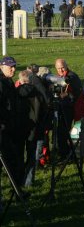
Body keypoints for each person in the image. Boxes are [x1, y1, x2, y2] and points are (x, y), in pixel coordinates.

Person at [54, 59, 84, 159]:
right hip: (62, 106)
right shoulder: (58, 77)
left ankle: (66, 153)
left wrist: (67, 94)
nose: (61, 70)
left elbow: (78, 92)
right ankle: (63, 151)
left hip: (69, 108)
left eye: (62, 67)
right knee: (60, 131)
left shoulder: (72, 77)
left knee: (64, 131)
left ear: (66, 66)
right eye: (58, 68)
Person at [0, 57, 20, 189]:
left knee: (11, 158)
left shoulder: (8, 81)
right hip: (2, 127)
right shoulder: (1, 83)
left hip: (8, 126)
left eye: (14, 66)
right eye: (10, 67)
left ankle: (16, 190)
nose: (13, 69)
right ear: (2, 66)